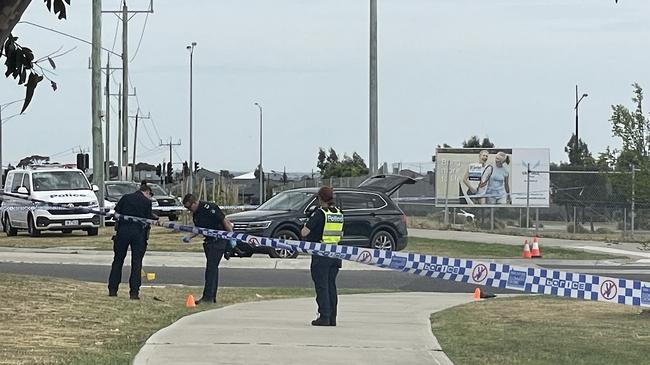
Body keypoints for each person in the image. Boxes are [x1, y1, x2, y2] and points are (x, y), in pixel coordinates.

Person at [301, 186, 344, 327]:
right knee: (331, 286)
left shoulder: (320, 213)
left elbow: (304, 232)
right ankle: (332, 318)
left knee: (322, 286)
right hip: (336, 254)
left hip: (321, 254)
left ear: (320, 198)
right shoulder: (338, 213)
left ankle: (324, 317)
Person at [108, 182, 157, 299]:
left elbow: (116, 214)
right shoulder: (147, 202)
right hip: (138, 233)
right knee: (137, 263)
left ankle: (113, 289)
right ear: (147, 192)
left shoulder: (126, 197)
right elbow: (147, 218)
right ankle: (134, 292)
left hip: (123, 231)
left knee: (118, 260)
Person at [182, 194, 234, 305]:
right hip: (209, 242)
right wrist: (189, 237)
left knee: (211, 268)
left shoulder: (209, 208)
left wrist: (231, 238)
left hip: (219, 240)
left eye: (189, 207)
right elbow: (199, 229)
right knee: (212, 269)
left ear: (195, 202)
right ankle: (211, 297)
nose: (189, 210)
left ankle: (208, 297)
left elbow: (225, 222)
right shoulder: (196, 213)